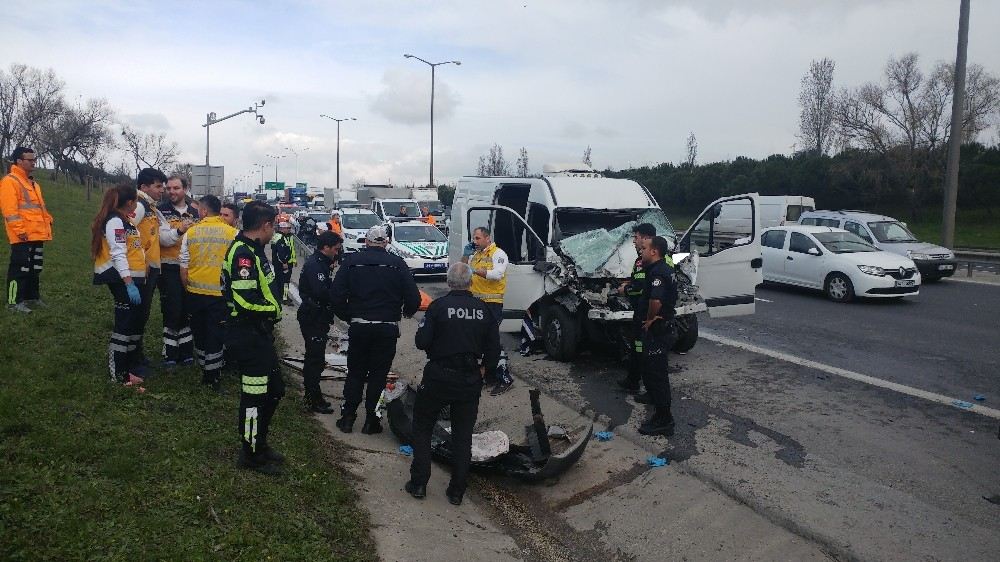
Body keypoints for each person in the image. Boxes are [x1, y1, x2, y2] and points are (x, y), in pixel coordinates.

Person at [405, 263, 500, 506]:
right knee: (462, 435)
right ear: (470, 283)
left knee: (423, 427)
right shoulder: (483, 310)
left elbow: (421, 341)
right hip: (468, 380)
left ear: (449, 283)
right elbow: (494, 351)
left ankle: (418, 483)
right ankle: (457, 491)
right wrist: (483, 370)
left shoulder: (438, 307)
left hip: (438, 376)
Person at [331, 224, 420, 434]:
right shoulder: (397, 264)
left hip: (359, 326)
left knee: (355, 373)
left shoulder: (352, 262)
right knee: (379, 375)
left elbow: (335, 295)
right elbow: (414, 298)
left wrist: (349, 316)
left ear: (366, 241)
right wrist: (405, 312)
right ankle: (372, 420)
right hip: (386, 327)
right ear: (386, 243)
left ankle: (347, 417)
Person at [221, 201, 285, 475]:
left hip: (259, 334)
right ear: (265, 225)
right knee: (254, 397)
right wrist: (273, 310)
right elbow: (245, 299)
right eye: (275, 225)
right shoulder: (243, 254)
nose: (276, 231)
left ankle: (259, 442)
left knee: (275, 390)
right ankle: (250, 454)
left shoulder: (255, 250)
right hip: (247, 334)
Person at [181, 195, 237, 390]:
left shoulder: (191, 232)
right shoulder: (233, 233)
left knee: (200, 333)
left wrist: (187, 287)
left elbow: (184, 266)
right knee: (216, 335)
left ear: (203, 211)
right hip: (220, 295)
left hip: (195, 292)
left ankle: (205, 366)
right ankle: (212, 376)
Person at [91, 184, 146, 384]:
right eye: (136, 202)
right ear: (130, 202)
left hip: (128, 277)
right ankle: (118, 375)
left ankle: (127, 368)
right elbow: (118, 253)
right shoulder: (115, 221)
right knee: (123, 326)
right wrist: (129, 283)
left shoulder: (124, 220)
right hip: (120, 278)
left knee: (130, 324)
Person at [635, 236, 679, 437]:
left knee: (657, 375)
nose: (640, 251)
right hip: (661, 328)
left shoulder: (658, 272)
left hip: (659, 331)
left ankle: (664, 419)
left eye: (643, 248)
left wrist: (650, 319)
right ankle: (654, 400)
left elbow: (656, 300)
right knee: (650, 369)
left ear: (654, 251)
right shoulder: (662, 268)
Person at [297, 230, 344, 413]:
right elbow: (322, 293)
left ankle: (314, 396)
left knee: (316, 358)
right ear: (326, 248)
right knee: (314, 360)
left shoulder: (323, 263)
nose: (337, 252)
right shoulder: (315, 266)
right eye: (336, 249)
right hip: (313, 317)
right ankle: (312, 399)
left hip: (318, 317)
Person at [2, 147, 53, 313]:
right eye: (29, 160)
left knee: (35, 268)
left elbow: (39, 208)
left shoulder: (33, 183)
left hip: (37, 233)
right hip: (22, 235)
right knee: (19, 269)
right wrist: (19, 230)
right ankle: (13, 302)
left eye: (34, 159)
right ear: (19, 161)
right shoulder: (10, 181)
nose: (33, 162)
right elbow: (10, 211)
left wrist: (48, 221)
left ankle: (32, 297)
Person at [464, 227, 513, 395]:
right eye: (473, 238)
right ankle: (490, 376)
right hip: (477, 303)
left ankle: (504, 377)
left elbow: (497, 274)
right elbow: (463, 272)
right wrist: (465, 256)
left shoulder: (498, 253)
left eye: (478, 238)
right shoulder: (476, 255)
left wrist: (475, 270)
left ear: (487, 238)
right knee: (484, 343)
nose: (474, 241)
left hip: (492, 303)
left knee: (492, 342)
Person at [158, 175, 199, 366]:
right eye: (169, 188)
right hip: (169, 267)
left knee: (187, 308)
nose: (171, 192)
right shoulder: (161, 211)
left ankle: (186, 351)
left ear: (185, 189)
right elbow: (162, 239)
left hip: (190, 268)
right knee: (172, 309)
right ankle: (170, 352)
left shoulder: (196, 212)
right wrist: (180, 230)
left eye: (176, 188)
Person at [132, 167, 170, 372]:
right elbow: (124, 230)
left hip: (150, 267)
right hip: (141, 270)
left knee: (143, 314)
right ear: (144, 187)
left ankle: (137, 355)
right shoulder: (139, 205)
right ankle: (133, 360)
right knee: (137, 314)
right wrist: (140, 260)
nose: (162, 190)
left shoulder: (150, 206)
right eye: (158, 186)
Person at [617, 223, 656, 395]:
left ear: (645, 238)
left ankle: (640, 383)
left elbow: (640, 287)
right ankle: (635, 380)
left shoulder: (643, 260)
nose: (634, 241)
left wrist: (625, 289)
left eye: (636, 237)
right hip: (652, 312)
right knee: (642, 348)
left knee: (640, 348)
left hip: (644, 312)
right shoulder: (665, 255)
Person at [270, 217, 296, 305]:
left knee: (279, 280)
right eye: (288, 228)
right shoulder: (280, 238)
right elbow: (280, 252)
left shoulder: (277, 236)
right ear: (282, 228)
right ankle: (284, 298)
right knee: (285, 281)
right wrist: (284, 262)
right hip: (283, 264)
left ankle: (279, 296)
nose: (289, 230)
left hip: (278, 263)